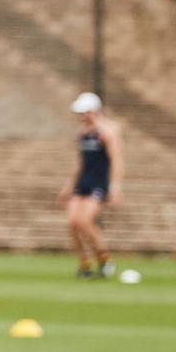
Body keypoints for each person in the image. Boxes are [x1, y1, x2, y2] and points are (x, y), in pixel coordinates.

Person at [58, 91, 123, 279]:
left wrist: (115, 188)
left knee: (85, 222)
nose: (81, 116)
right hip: (83, 181)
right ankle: (85, 264)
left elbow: (116, 160)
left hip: (99, 182)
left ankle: (103, 258)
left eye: (84, 112)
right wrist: (68, 186)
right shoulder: (83, 133)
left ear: (93, 110)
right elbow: (81, 163)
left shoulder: (107, 131)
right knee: (72, 223)